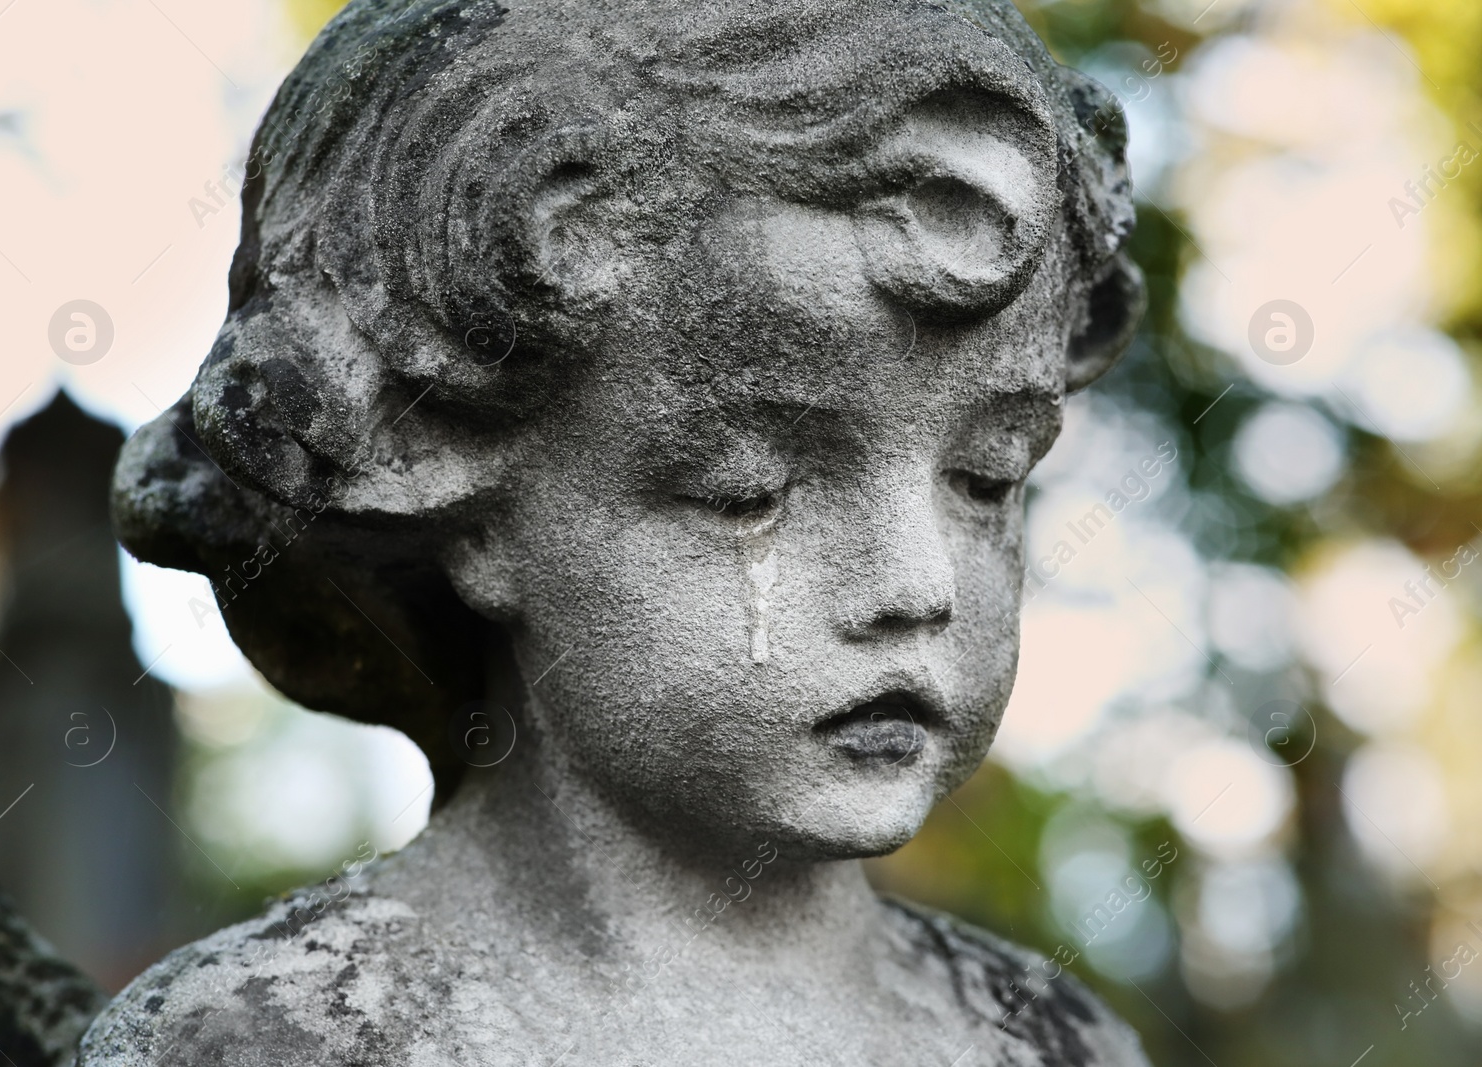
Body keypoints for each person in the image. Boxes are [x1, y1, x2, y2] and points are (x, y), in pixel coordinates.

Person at [88, 0, 1151, 1061]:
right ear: (469, 497)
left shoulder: (1052, 1042)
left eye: (984, 478)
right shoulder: (266, 1038)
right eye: (750, 490)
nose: (919, 585)